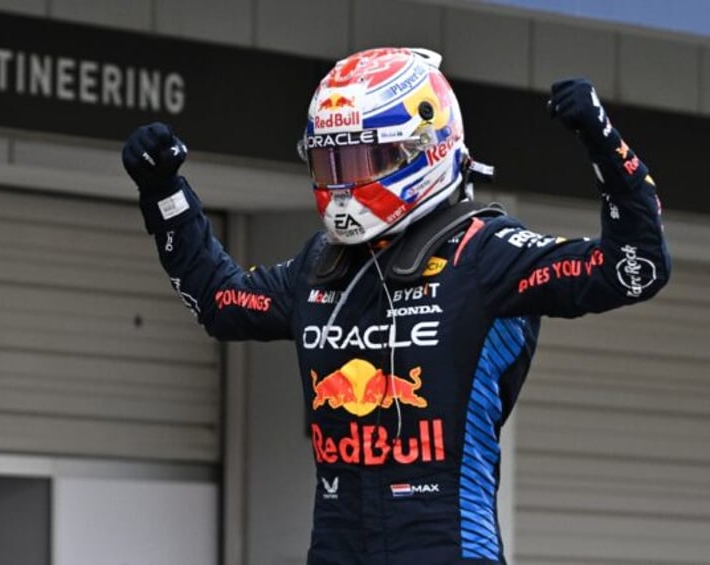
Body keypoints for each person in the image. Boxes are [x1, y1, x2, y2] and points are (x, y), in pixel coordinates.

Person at [121, 47, 670, 565]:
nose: (343, 184)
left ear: (423, 149)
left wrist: (604, 145)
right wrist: (165, 194)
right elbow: (220, 302)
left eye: (363, 158)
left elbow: (634, 268)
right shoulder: (320, 264)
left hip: (447, 547)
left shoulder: (485, 254)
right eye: (330, 163)